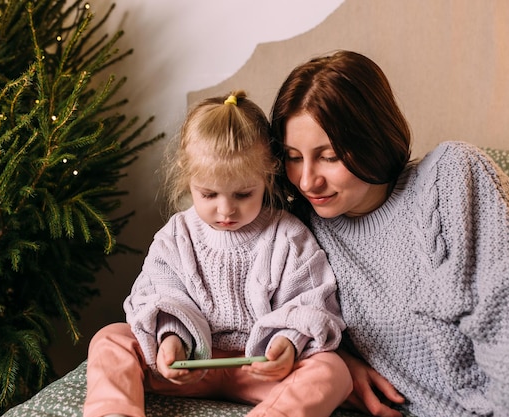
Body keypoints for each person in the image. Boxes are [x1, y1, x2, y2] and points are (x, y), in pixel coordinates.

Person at [270, 50, 509, 417]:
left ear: (372, 138)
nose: (307, 180)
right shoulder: (296, 231)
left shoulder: (450, 174)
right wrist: (336, 359)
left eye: (329, 156)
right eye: (293, 156)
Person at [83, 90, 352, 417]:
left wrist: (288, 342)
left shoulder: (288, 235)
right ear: (188, 178)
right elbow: (157, 294)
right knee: (110, 339)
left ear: (268, 174)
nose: (226, 210)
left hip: (260, 370)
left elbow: (313, 303)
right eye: (208, 194)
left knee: (333, 370)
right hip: (191, 367)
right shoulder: (177, 236)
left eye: (243, 193)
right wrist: (170, 339)